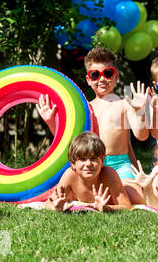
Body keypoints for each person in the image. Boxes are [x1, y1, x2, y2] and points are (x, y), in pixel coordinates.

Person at [37, 47, 149, 204]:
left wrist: (140, 112)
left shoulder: (125, 104)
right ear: (89, 80)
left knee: (137, 198)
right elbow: (70, 139)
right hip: (90, 164)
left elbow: (141, 135)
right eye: (95, 75)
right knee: (64, 194)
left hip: (119, 165)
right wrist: (51, 122)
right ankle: (98, 197)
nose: (102, 79)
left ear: (116, 76)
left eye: (108, 73)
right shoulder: (86, 108)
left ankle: (105, 197)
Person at [45, 132, 132, 212]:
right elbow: (49, 202)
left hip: (123, 188)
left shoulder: (109, 174)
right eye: (82, 159)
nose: (88, 164)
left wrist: (107, 208)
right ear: (73, 163)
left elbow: (127, 206)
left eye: (93, 158)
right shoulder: (70, 176)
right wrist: (55, 207)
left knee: (136, 197)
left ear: (102, 161)